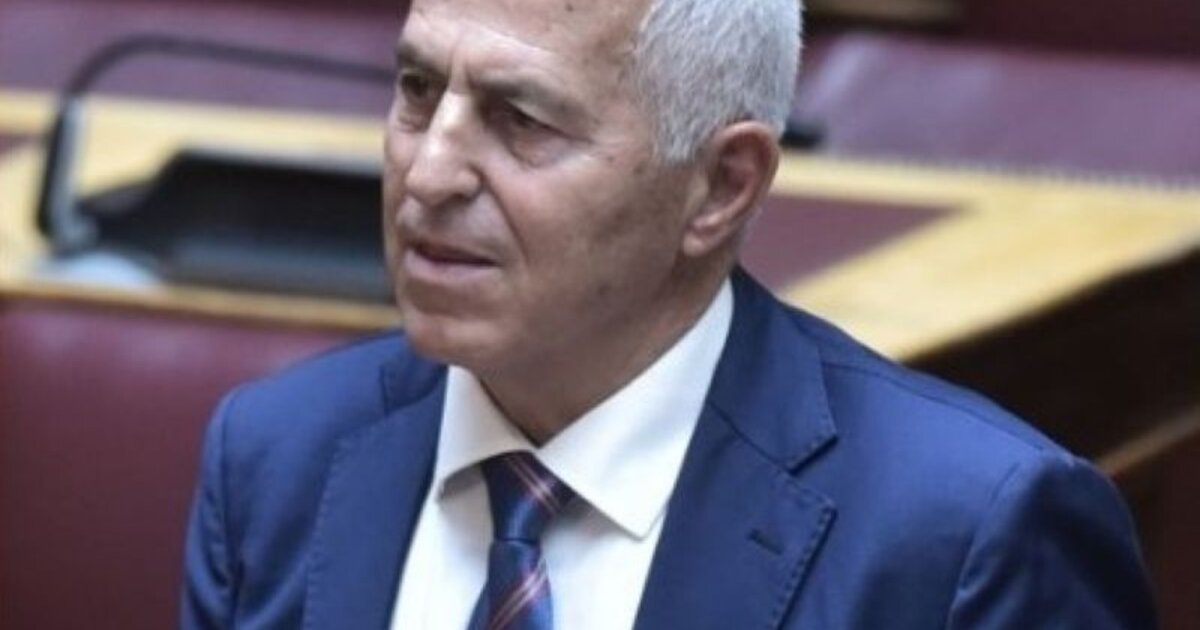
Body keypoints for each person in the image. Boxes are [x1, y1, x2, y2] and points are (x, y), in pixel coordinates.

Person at [181, 0, 1157, 627]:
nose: (429, 172)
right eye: (417, 90)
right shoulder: (275, 459)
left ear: (721, 187)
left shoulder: (964, 539)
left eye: (521, 120)